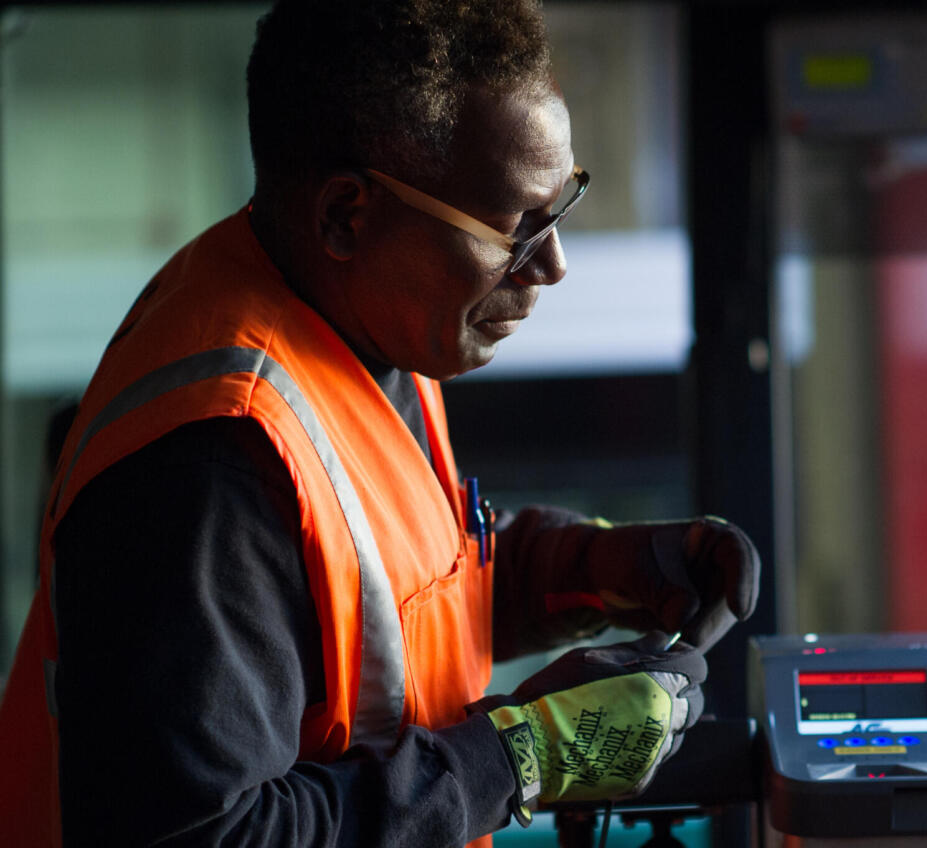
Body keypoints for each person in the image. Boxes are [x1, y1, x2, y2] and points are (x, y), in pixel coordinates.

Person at [0, 1, 759, 846]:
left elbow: (378, 613)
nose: (552, 265)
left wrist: (590, 569)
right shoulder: (216, 459)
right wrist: (520, 757)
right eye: (516, 227)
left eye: (563, 202)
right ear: (346, 217)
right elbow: (204, 835)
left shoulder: (359, 330)